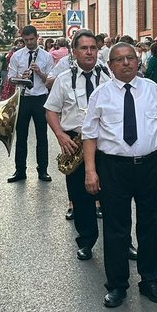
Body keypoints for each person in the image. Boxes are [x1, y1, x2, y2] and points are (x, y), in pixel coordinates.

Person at [82, 41, 157, 308]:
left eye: (131, 58)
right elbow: (89, 134)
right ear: (110, 66)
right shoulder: (101, 94)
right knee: (116, 228)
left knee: (150, 223)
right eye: (119, 60)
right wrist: (90, 171)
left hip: (151, 165)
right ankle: (117, 285)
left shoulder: (152, 89)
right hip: (114, 167)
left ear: (137, 61)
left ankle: (150, 280)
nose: (127, 63)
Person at [46, 30, 110, 259]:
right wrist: (61, 136)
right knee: (82, 197)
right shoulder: (63, 79)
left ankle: (121, 242)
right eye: (84, 48)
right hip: (76, 142)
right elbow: (51, 110)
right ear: (74, 52)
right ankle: (86, 241)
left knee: (113, 197)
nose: (90, 52)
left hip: (105, 142)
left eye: (93, 48)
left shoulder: (108, 76)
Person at [7, 25, 55, 182]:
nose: (29, 42)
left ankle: (43, 170)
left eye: (31, 39)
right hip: (23, 98)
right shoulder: (17, 56)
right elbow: (10, 78)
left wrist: (39, 72)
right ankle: (20, 171)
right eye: (26, 40)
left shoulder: (47, 56)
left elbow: (50, 81)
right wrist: (22, 76)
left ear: (37, 37)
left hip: (40, 97)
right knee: (21, 136)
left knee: (42, 136)